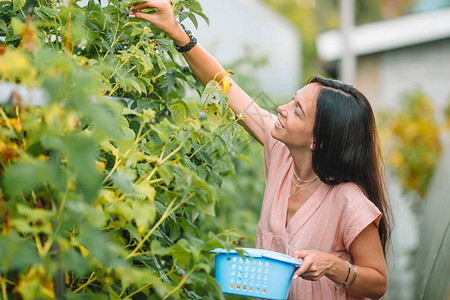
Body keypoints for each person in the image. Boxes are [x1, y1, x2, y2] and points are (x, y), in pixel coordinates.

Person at [129, 1, 392, 299]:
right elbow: (225, 88)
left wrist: (332, 266)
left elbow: (378, 283)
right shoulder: (282, 153)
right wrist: (178, 33)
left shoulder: (350, 201)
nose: (281, 108)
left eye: (297, 111)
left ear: (317, 141)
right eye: (292, 100)